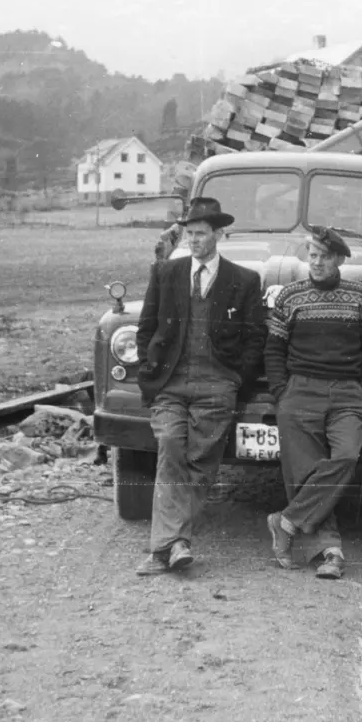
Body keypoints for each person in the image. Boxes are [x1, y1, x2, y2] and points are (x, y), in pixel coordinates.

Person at [134, 197, 265, 574]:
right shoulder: (166, 273)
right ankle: (170, 545)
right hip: (170, 382)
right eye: (189, 233)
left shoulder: (244, 280)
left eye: (201, 234)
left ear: (219, 234)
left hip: (217, 384)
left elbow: (255, 338)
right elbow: (146, 328)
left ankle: (168, 547)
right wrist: (149, 368)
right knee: (170, 445)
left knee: (201, 463)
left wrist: (234, 377)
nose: (193, 240)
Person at [264, 225, 362, 579]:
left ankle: (284, 523)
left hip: (349, 392)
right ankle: (331, 551)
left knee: (346, 455)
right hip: (300, 392)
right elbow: (275, 348)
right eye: (312, 256)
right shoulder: (290, 296)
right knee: (306, 473)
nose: (316, 263)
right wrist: (281, 391)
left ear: (338, 259)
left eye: (324, 257)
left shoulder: (361, 296)